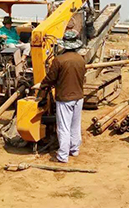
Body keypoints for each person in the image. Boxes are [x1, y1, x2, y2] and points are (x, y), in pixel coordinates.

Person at [38, 30, 86, 163]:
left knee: (64, 127)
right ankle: (74, 150)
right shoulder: (81, 60)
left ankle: (63, 156)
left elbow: (50, 78)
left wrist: (42, 88)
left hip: (65, 98)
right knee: (75, 125)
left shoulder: (59, 60)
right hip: (79, 97)